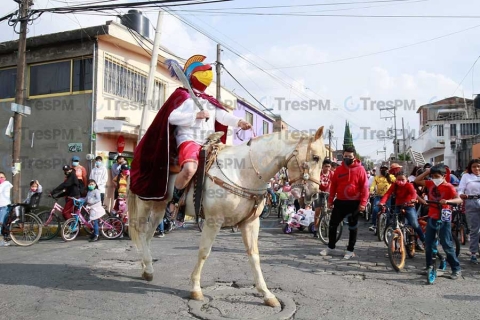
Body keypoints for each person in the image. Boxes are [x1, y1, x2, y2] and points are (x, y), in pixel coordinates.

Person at [130, 54, 252, 223]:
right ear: (193, 76)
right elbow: (171, 117)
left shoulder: (210, 100)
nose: (208, 73)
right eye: (204, 71)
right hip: (189, 140)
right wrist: (196, 115)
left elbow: (223, 116)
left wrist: (239, 122)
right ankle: (174, 202)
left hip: (210, 141)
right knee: (189, 169)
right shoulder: (181, 95)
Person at [415, 164, 462, 280]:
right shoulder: (430, 183)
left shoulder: (449, 187)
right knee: (429, 243)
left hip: (445, 215)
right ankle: (429, 266)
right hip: (432, 215)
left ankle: (456, 269)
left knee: (446, 244)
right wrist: (428, 171)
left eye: (437, 176)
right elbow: (417, 180)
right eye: (433, 176)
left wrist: (447, 201)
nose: (434, 178)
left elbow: (459, 199)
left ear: (443, 176)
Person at [320, 146, 369, 259]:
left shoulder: (360, 169)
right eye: (345, 156)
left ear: (354, 157)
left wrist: (363, 203)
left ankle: (350, 250)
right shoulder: (338, 170)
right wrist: (330, 201)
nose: (347, 158)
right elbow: (333, 187)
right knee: (333, 225)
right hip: (340, 202)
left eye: (350, 156)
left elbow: (365, 188)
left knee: (353, 227)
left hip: (354, 203)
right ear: (343, 156)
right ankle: (331, 247)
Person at [379, 171, 425, 251]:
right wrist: (382, 202)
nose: (400, 181)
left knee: (414, 224)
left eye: (402, 179)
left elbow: (413, 193)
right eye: (398, 179)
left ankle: (424, 241)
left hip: (409, 206)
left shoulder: (409, 185)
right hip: (398, 206)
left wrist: (413, 200)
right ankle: (393, 246)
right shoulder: (394, 185)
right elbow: (387, 194)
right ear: (396, 179)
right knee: (394, 225)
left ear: (407, 179)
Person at [457, 159, 480, 264]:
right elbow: (461, 189)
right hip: (471, 202)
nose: (476, 168)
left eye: (478, 166)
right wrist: (461, 194)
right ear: (470, 168)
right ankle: (473, 253)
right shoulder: (466, 176)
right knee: (474, 230)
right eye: (474, 166)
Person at [369, 165, 396, 233]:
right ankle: (374, 224)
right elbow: (373, 185)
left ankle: (387, 227)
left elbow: (396, 182)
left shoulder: (391, 176)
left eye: (386, 169)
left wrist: (389, 176)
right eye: (383, 169)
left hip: (387, 197)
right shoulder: (377, 177)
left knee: (388, 212)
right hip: (378, 196)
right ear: (380, 170)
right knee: (375, 209)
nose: (384, 170)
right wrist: (371, 191)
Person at [313, 159, 333, 238]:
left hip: (328, 194)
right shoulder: (318, 174)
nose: (327, 168)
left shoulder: (332, 174)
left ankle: (328, 224)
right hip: (319, 193)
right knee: (317, 211)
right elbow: (314, 183)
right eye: (326, 166)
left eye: (329, 166)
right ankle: (315, 228)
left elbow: (335, 183)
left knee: (330, 209)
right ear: (322, 166)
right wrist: (318, 190)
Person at [0, 172, 13, 247]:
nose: (0, 179)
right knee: (3, 223)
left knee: (1, 223)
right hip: (1, 206)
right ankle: (5, 239)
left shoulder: (6, 184)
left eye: (2, 177)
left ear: (5, 178)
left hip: (4, 206)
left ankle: (3, 240)